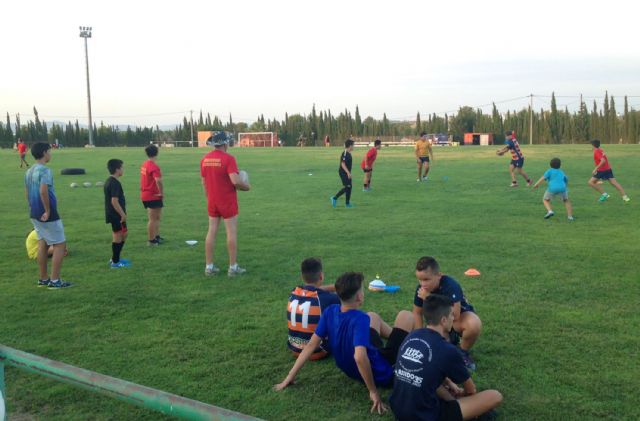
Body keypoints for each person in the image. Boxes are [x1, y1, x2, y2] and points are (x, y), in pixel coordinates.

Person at [275, 271, 415, 414]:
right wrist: (373, 391)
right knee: (406, 315)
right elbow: (360, 357)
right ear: (359, 297)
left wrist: (290, 376)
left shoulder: (330, 311)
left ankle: (397, 342)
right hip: (383, 372)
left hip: (354, 370)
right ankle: (416, 349)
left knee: (372, 316)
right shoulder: (359, 319)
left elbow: (311, 345)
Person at [390, 294, 503, 421]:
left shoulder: (411, 336)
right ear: (443, 320)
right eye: (451, 315)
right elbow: (471, 390)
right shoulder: (448, 349)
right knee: (495, 396)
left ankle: (451, 400)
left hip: (399, 410)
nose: (453, 318)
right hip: (425, 416)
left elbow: (426, 372)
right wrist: (468, 402)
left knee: (427, 381)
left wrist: (449, 384)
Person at [412, 256, 481, 371]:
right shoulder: (421, 289)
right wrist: (420, 337)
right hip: (439, 323)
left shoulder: (450, 285)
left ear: (439, 275)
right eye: (420, 279)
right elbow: (417, 313)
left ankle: (462, 353)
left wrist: (429, 297)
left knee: (474, 324)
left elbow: (455, 314)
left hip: (457, 320)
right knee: (437, 353)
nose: (422, 284)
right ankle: (449, 344)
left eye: (426, 279)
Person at [201, 131, 250, 277]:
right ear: (224, 143)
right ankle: (232, 267)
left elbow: (203, 182)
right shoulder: (229, 159)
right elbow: (235, 180)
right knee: (231, 232)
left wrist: (208, 198)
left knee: (211, 232)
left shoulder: (204, 159)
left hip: (212, 201)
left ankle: (209, 267)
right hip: (227, 200)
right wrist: (246, 186)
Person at [24, 142, 72, 288]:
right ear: (44, 153)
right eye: (49, 152)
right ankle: (55, 280)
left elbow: (27, 192)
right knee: (60, 244)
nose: (50, 154)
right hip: (47, 213)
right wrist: (48, 210)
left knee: (42, 243)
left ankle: (43, 278)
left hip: (34, 213)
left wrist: (33, 207)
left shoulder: (29, 171)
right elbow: (43, 191)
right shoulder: (45, 171)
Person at [287, 257, 340, 360]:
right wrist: (338, 287)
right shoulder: (329, 299)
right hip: (318, 351)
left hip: (295, 348)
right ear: (321, 276)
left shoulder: (294, 292)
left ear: (302, 276)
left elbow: (314, 290)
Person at [104, 159, 130, 268]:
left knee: (123, 234)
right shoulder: (114, 183)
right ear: (117, 169)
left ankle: (116, 258)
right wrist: (122, 214)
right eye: (122, 167)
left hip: (114, 214)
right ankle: (115, 262)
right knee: (118, 235)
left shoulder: (109, 181)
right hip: (116, 215)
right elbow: (114, 201)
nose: (123, 169)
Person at [140, 144, 165, 246]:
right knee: (153, 219)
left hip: (146, 194)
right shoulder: (153, 166)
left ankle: (156, 236)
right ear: (157, 152)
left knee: (157, 217)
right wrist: (161, 192)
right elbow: (158, 180)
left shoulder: (145, 164)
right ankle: (151, 240)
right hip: (152, 195)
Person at [330, 139, 355, 208]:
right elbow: (342, 164)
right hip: (343, 173)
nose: (354, 147)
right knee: (348, 187)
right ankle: (334, 198)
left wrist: (349, 173)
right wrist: (348, 173)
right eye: (353, 145)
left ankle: (347, 204)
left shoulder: (349, 153)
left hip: (347, 173)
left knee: (349, 187)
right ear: (350, 146)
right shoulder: (345, 153)